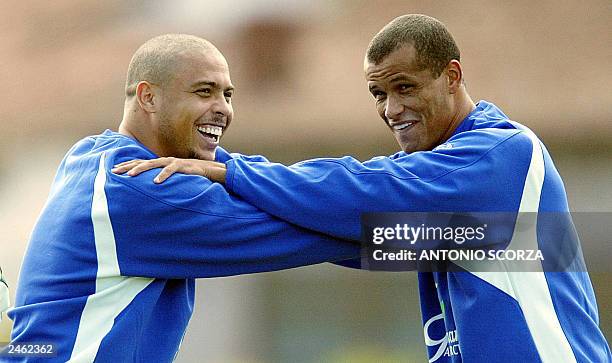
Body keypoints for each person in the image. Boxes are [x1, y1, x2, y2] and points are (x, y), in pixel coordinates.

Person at [116, 15, 611, 362]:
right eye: (379, 93)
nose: (391, 109)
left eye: (405, 87)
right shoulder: (434, 174)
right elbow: (358, 236)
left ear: (452, 75)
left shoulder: (502, 152)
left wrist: (228, 170)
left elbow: (365, 190)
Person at [2, 34, 362, 362]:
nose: (223, 108)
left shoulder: (91, 154)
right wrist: (415, 240)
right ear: (148, 97)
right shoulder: (140, 187)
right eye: (204, 92)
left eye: (228, 94)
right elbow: (308, 234)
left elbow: (276, 183)